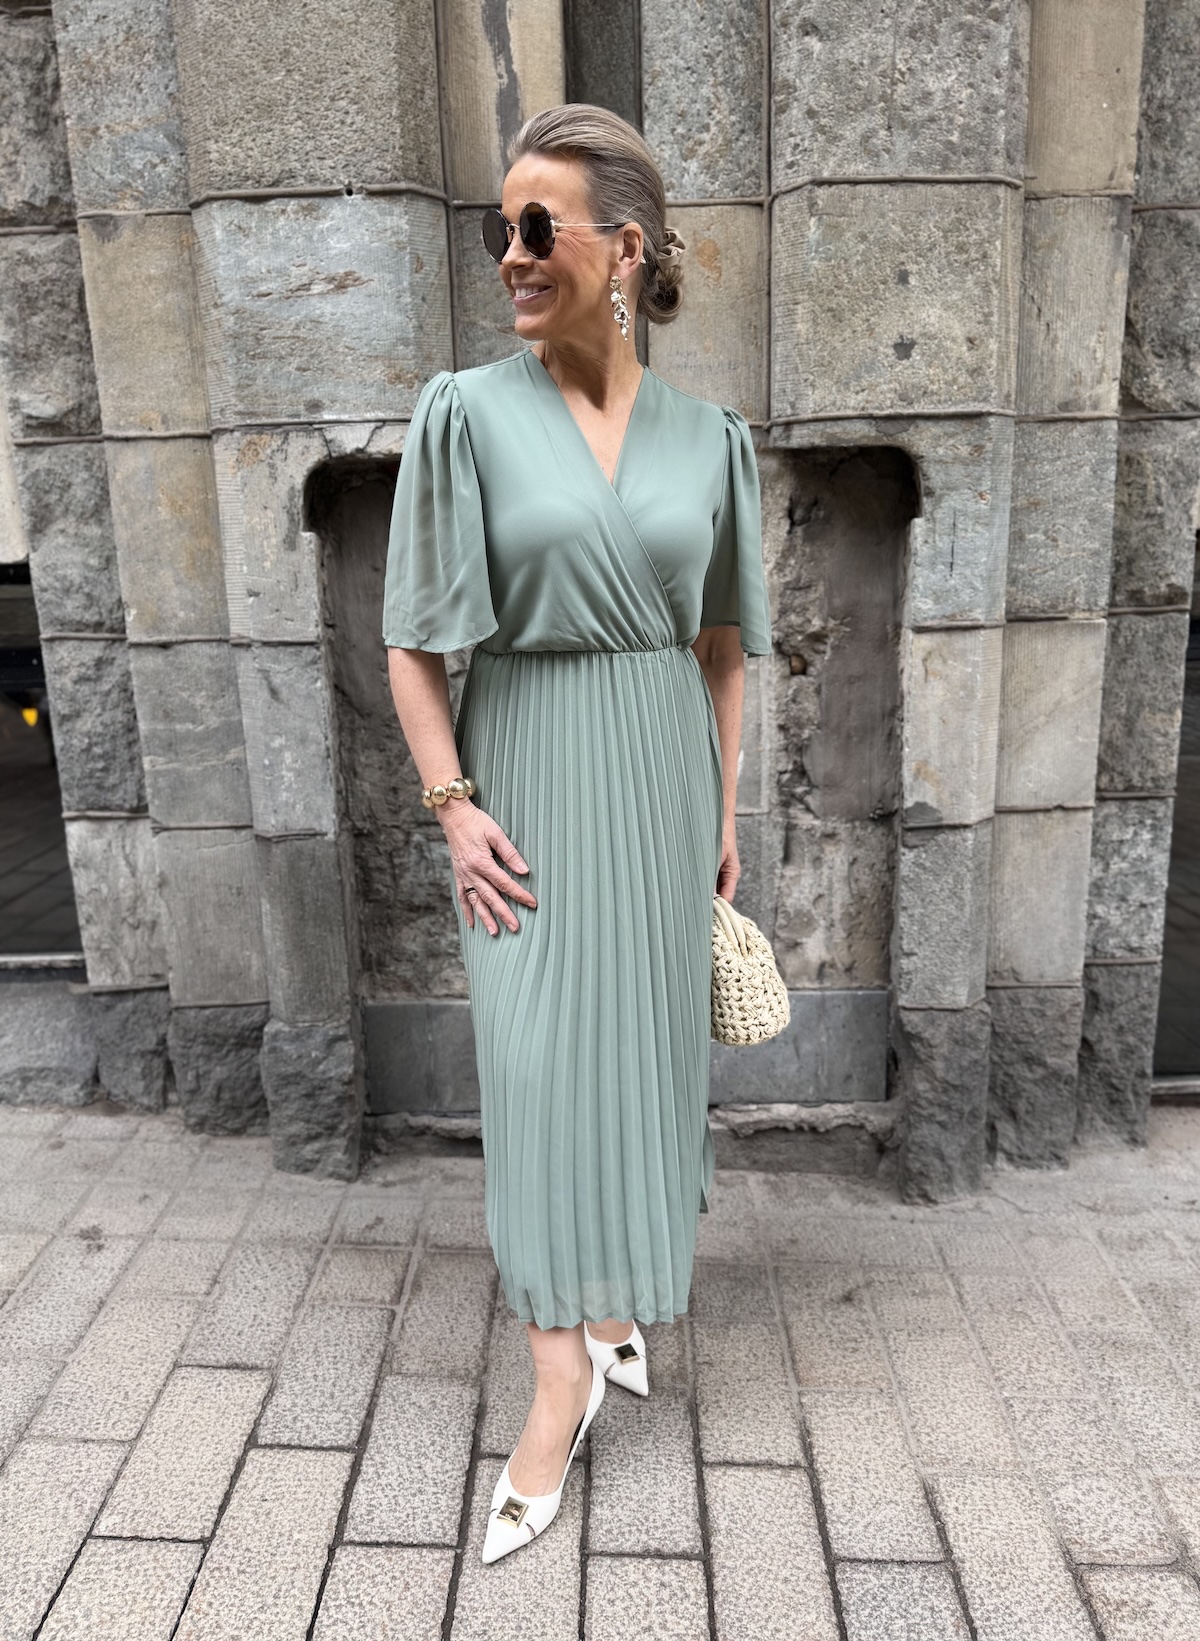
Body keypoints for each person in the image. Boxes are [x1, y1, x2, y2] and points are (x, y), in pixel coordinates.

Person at [383, 102, 771, 1564]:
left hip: (664, 782)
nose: (511, 253)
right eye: (502, 229)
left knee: (648, 1066)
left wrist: (720, 814)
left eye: (537, 225)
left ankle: (612, 1313)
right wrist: (453, 806)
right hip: (528, 778)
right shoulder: (466, 414)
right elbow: (415, 645)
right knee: (543, 1069)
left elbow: (722, 648)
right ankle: (560, 1377)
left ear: (628, 248)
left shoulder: (710, 441)